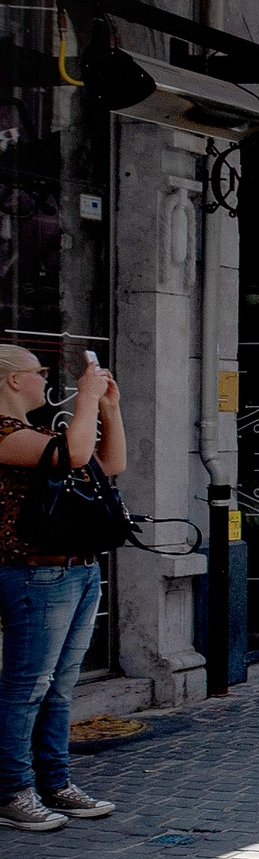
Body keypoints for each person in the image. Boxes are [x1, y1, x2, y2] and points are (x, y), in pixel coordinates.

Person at [0, 348, 126, 833]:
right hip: (33, 573)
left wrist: (108, 408)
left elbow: (109, 464)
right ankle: (12, 789)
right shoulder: (6, 435)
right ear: (13, 381)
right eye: (38, 372)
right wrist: (86, 398)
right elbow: (74, 454)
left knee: (58, 688)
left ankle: (54, 782)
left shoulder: (43, 433)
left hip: (77, 568)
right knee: (27, 686)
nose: (44, 378)